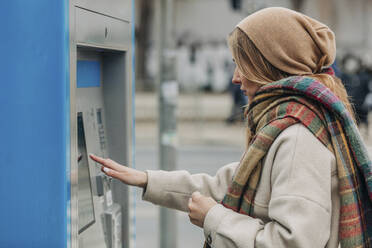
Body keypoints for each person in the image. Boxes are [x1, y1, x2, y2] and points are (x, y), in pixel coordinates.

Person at [90, 7, 372, 248]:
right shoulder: (288, 125)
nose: (236, 78)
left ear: (268, 66)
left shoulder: (297, 138)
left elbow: (292, 243)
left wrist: (214, 218)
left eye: (242, 65)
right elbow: (223, 185)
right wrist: (146, 179)